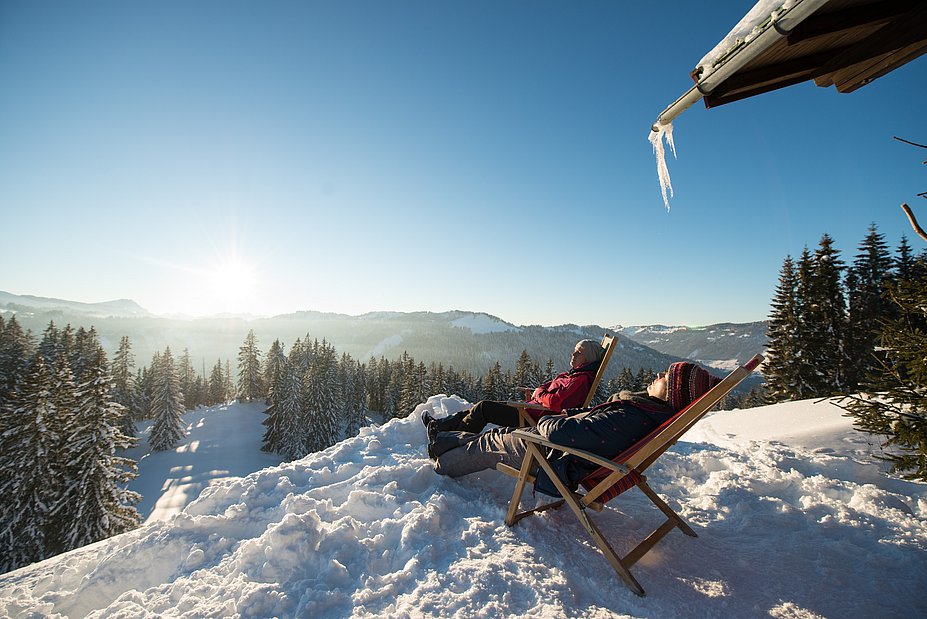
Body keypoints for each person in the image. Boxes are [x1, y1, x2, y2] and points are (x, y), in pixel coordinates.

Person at [426, 361, 721, 497]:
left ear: (672, 392)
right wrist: (568, 416)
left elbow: (558, 433)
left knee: (490, 442)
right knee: (493, 436)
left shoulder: (632, 418)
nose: (657, 374)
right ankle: (442, 441)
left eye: (665, 376)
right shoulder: (644, 416)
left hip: (553, 457)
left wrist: (549, 420)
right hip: (564, 451)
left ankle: (441, 462)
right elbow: (590, 424)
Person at [421, 339, 606, 435]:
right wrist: (539, 392)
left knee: (485, 408)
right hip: (531, 409)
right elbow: (545, 387)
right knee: (481, 407)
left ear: (588, 358)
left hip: (532, 418)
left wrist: (538, 394)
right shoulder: (570, 375)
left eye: (579, 352)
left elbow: (555, 403)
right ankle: (440, 426)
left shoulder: (580, 380)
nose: (573, 354)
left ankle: (452, 440)